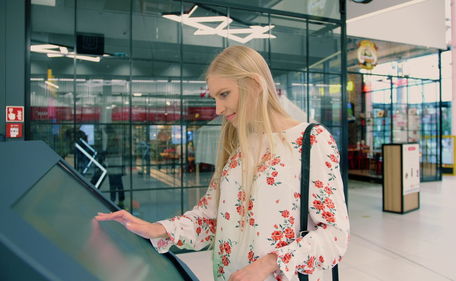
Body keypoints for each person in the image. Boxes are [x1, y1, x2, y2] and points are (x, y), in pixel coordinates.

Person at [95, 46, 349, 281]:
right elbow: (210, 219)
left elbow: (334, 236)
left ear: (253, 84)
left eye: (224, 94)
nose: (217, 108)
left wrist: (269, 263)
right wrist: (156, 229)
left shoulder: (311, 140)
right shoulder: (238, 145)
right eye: (215, 97)